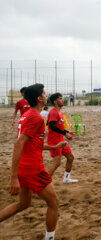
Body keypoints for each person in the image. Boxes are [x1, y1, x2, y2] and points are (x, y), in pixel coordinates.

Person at [0, 83, 67, 240]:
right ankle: (49, 238)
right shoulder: (35, 117)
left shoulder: (27, 115)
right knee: (54, 203)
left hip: (26, 167)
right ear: (39, 99)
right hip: (33, 169)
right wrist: (13, 177)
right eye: (44, 93)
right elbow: (18, 144)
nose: (46, 95)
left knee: (23, 204)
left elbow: (33, 143)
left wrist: (54, 146)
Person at [47, 93, 78, 184]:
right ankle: (44, 183)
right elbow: (51, 126)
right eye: (60, 99)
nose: (62, 100)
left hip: (61, 140)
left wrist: (67, 132)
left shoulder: (59, 112)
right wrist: (65, 133)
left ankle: (66, 179)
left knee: (70, 158)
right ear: (55, 102)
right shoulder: (53, 112)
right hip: (54, 141)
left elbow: (58, 127)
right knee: (57, 163)